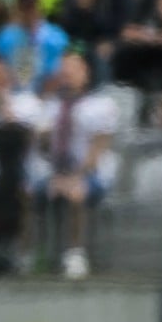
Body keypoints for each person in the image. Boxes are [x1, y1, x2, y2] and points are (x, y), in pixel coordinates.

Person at [39, 51, 119, 280]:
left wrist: (75, 175)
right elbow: (44, 147)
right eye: (63, 72)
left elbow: (98, 148)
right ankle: (30, 253)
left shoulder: (101, 105)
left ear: (85, 74)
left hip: (91, 172)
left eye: (72, 71)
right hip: (56, 170)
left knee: (76, 192)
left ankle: (76, 254)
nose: (67, 76)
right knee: (27, 190)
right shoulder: (51, 105)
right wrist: (44, 137)